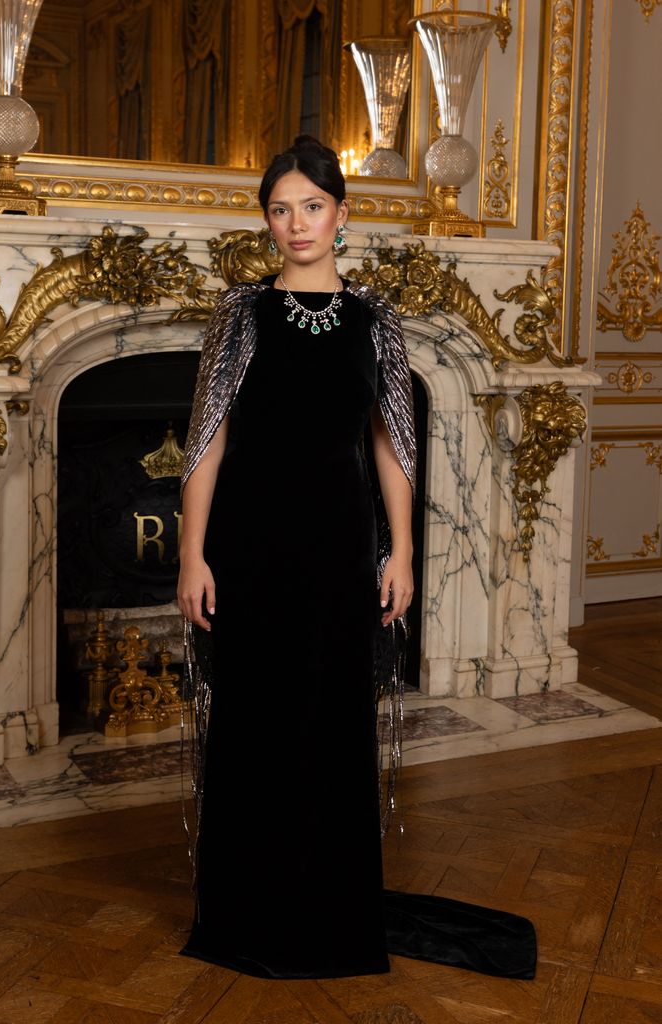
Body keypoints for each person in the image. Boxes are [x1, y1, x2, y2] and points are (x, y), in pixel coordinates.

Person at [177, 135, 536, 981]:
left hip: (340, 547)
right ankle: (246, 911)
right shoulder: (241, 313)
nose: (295, 224)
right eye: (279, 208)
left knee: (331, 723)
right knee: (254, 722)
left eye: (311, 206)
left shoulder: (376, 320)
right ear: (265, 220)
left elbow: (394, 443)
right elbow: (206, 441)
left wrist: (403, 550)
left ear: (343, 215)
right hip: (250, 546)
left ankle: (329, 903)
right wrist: (193, 555)